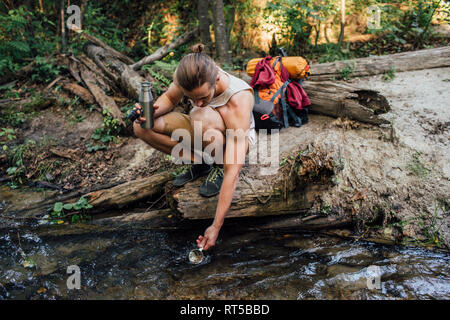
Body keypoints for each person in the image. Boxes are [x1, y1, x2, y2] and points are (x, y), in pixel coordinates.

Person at [133, 44, 255, 251]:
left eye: (203, 98)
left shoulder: (239, 98)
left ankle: (215, 165)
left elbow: (233, 171)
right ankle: (200, 162)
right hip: (201, 129)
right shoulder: (187, 74)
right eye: (192, 98)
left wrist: (216, 226)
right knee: (141, 127)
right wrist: (149, 114)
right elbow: (171, 98)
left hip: (231, 139)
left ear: (216, 78)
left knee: (201, 115)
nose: (197, 102)